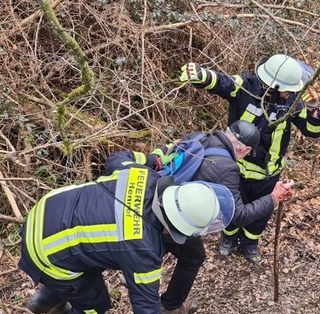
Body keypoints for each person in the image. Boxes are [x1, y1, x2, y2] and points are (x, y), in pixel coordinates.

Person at [110, 119, 294, 313]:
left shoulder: (197, 137)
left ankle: (136, 273)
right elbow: (238, 215)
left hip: (149, 201)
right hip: (172, 217)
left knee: (158, 245)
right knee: (193, 256)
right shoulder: (228, 169)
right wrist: (273, 198)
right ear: (245, 150)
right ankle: (171, 306)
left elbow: (164, 154)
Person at [18, 152, 235, 314]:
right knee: (95, 305)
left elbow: (117, 158)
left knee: (87, 258)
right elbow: (146, 307)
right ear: (176, 229)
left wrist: (151, 158)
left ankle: (45, 300)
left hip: (47, 209)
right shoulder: (142, 251)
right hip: (45, 251)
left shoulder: (144, 175)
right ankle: (57, 302)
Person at [178, 54, 320, 265]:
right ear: (272, 87)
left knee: (260, 213)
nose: (290, 93)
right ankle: (228, 238)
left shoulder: (293, 102)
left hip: (268, 173)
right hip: (236, 169)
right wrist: (202, 76)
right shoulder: (246, 87)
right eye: (287, 90)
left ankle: (250, 244)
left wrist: (313, 108)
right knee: (230, 208)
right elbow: (223, 82)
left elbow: (313, 131)